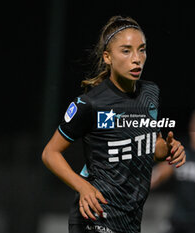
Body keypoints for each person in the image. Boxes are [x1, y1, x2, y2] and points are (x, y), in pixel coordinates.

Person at [41, 16, 186, 233]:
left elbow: (150, 146)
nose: (136, 59)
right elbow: (50, 153)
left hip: (130, 219)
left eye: (142, 50)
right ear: (107, 57)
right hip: (95, 214)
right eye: (126, 51)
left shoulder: (150, 93)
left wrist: (168, 149)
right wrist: (83, 187)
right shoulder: (90, 103)